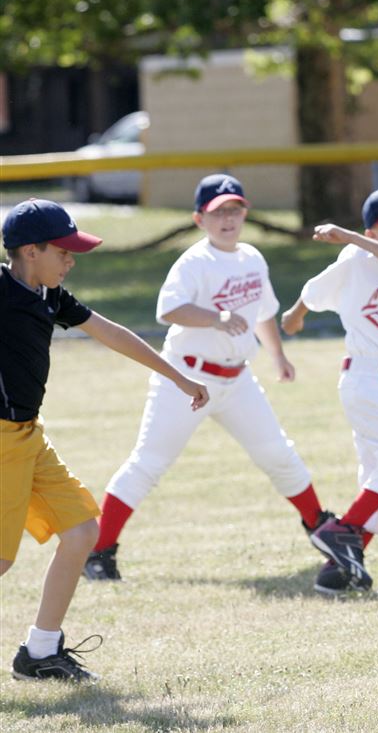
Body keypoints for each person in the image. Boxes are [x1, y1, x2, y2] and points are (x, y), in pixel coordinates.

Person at [83, 174, 331, 582]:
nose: (228, 219)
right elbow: (170, 309)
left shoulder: (252, 257)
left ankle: (321, 527)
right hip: (185, 377)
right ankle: (100, 551)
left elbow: (263, 312)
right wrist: (216, 318)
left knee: (277, 453)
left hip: (237, 380)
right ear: (200, 219)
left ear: (245, 213)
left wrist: (278, 356)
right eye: (218, 212)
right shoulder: (195, 262)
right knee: (149, 463)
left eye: (234, 210)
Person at [1, 199, 208, 681]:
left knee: (81, 532)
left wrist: (178, 376)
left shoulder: (51, 296)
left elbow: (110, 333)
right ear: (30, 251)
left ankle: (40, 652)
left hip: (28, 435)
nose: (71, 261)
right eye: (64, 252)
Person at [281, 187, 378, 596]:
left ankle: (337, 570)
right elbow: (314, 289)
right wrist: (294, 317)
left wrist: (350, 237)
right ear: (373, 228)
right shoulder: (354, 259)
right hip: (365, 378)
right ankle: (342, 531)